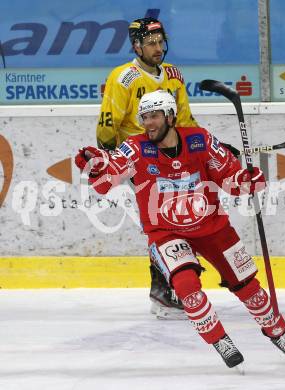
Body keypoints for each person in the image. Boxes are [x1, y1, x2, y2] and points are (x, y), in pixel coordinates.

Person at [76, 90, 285, 370]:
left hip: (212, 227)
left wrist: (247, 181)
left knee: (249, 286)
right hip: (165, 232)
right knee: (186, 287)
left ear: (171, 117)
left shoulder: (201, 140)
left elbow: (229, 179)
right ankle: (220, 340)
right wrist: (95, 166)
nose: (148, 123)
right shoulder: (135, 148)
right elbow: (105, 183)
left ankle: (278, 333)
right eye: (144, 117)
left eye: (154, 116)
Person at [96, 17, 199, 319]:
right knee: (165, 222)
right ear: (137, 46)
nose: (157, 48)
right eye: (151, 43)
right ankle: (163, 290)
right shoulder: (124, 78)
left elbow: (186, 120)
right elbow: (106, 130)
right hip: (140, 160)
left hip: (171, 158)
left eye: (160, 42)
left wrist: (200, 149)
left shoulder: (174, 75)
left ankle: (167, 286)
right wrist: (120, 163)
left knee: (181, 218)